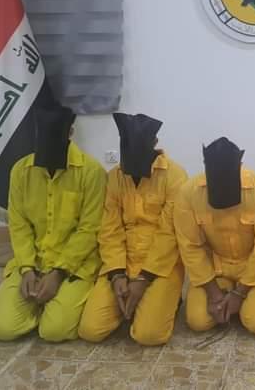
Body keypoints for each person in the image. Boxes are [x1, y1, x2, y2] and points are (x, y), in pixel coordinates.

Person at [0, 105, 106, 342]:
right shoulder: (21, 171)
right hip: (33, 261)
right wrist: (26, 269)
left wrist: (58, 273)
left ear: (70, 132)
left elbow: (90, 228)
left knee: (54, 331)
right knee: (3, 330)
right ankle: (41, 303)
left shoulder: (92, 172)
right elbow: (19, 225)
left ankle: (52, 304)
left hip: (75, 266)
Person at [78, 113, 187, 345]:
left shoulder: (175, 177)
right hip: (122, 261)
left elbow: (169, 234)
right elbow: (109, 229)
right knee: (90, 330)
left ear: (155, 143)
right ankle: (132, 305)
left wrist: (143, 279)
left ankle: (163, 300)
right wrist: (117, 274)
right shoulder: (115, 177)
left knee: (148, 335)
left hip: (160, 265)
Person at [174, 137, 255, 335]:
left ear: (240, 165)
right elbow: (190, 246)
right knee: (198, 321)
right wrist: (213, 293)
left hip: (253, 265)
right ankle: (226, 297)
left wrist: (240, 293)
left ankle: (253, 296)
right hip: (215, 266)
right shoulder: (188, 193)